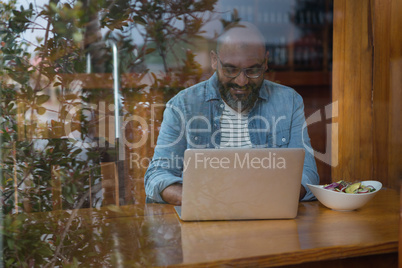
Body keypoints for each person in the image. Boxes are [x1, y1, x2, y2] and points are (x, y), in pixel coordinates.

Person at [144, 22, 319, 205]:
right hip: (204, 220)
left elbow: (307, 175)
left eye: (252, 70)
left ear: (266, 62)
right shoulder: (183, 105)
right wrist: (197, 200)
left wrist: (270, 199)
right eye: (230, 69)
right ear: (214, 60)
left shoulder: (289, 102)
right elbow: (157, 175)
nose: (241, 81)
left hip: (269, 216)